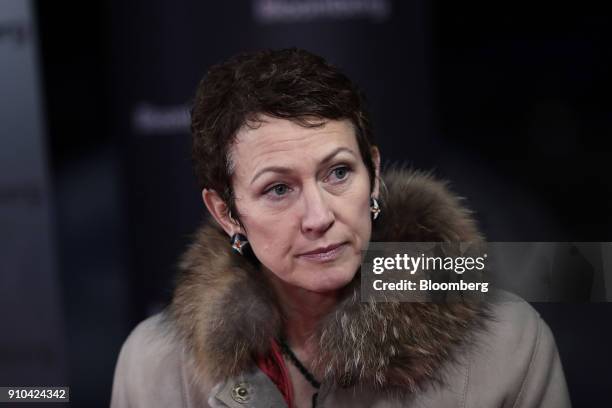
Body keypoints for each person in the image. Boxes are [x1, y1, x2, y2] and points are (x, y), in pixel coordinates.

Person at [111, 48, 571, 407]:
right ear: (226, 213)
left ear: (372, 172)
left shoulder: (510, 344)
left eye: (338, 173)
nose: (319, 217)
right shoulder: (154, 367)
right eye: (277, 189)